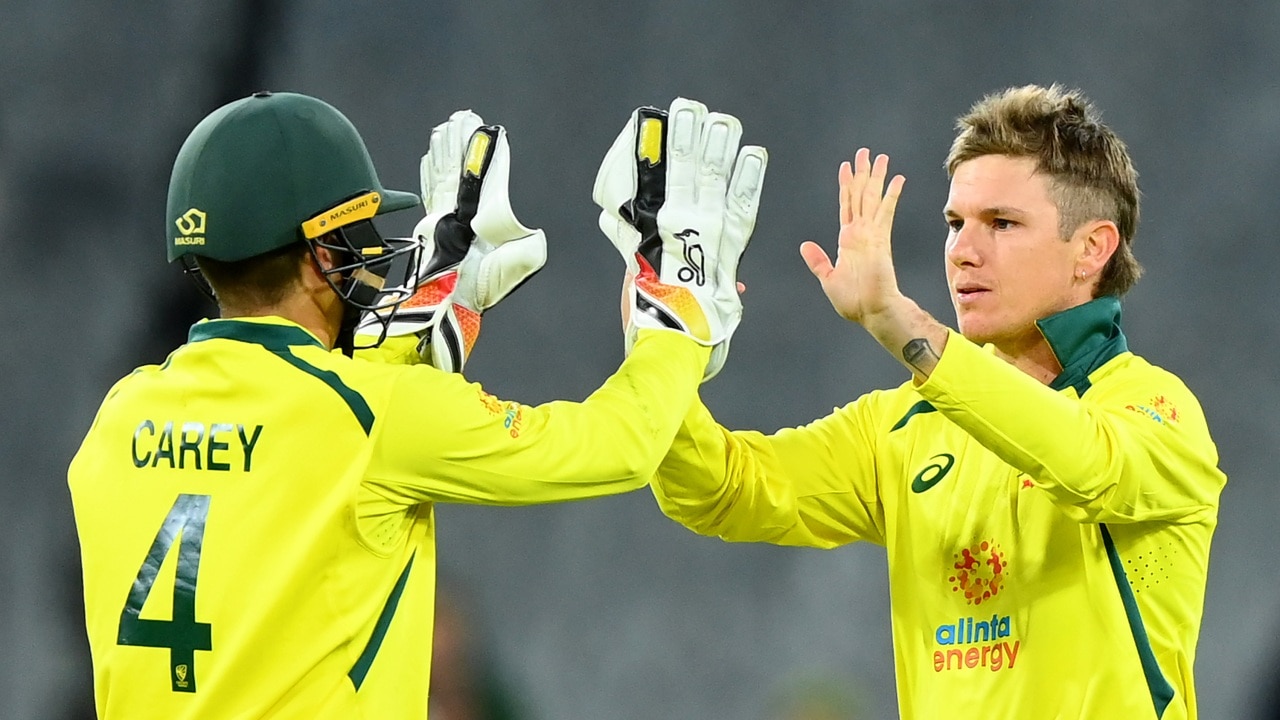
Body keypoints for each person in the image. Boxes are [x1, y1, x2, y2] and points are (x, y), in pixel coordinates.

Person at [67, 91, 766, 718]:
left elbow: (285, 447)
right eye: (362, 233)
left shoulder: (119, 417)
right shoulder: (378, 419)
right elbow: (620, 448)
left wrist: (430, 321)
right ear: (319, 257)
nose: (376, 254)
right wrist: (680, 309)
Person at [650, 84, 1226, 719]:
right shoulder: (903, 425)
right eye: (955, 224)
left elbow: (1088, 466)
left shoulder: (1157, 410)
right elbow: (723, 490)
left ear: (1093, 248)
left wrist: (906, 330)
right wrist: (662, 346)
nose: (962, 251)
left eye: (1002, 224)